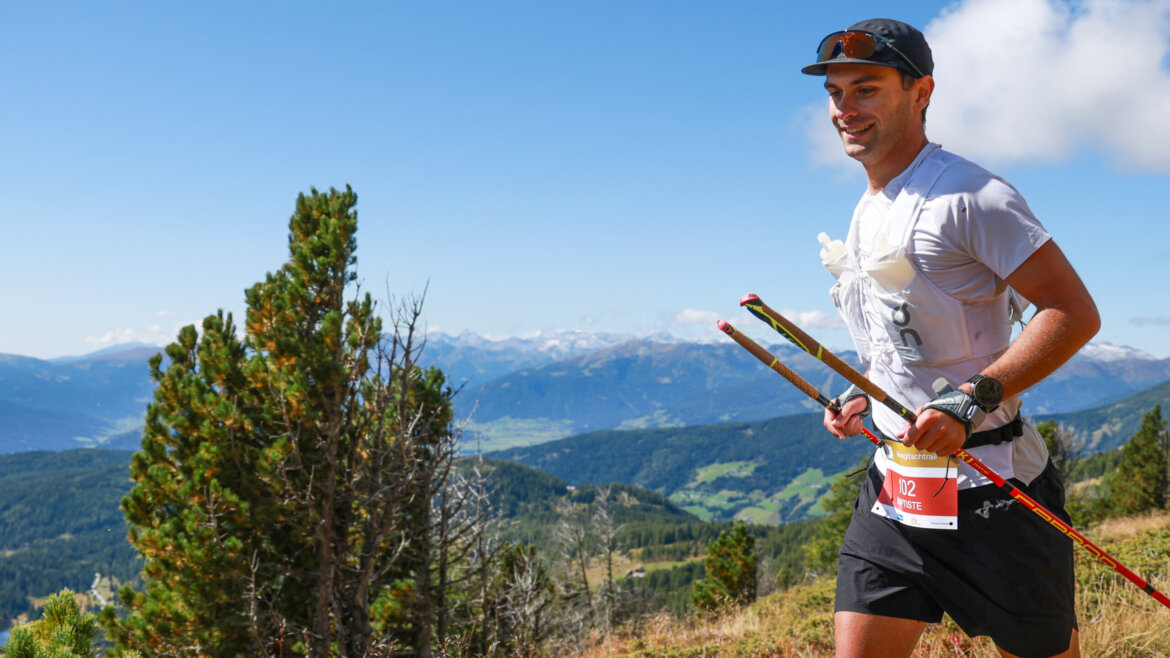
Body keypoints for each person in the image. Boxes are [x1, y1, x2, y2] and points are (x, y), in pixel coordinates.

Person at [804, 18, 1100, 658]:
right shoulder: (868, 206)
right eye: (835, 93)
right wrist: (866, 396)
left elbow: (1072, 312)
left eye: (867, 89)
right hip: (895, 490)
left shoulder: (972, 196)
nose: (845, 110)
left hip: (994, 489)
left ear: (921, 92)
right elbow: (903, 344)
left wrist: (970, 401)